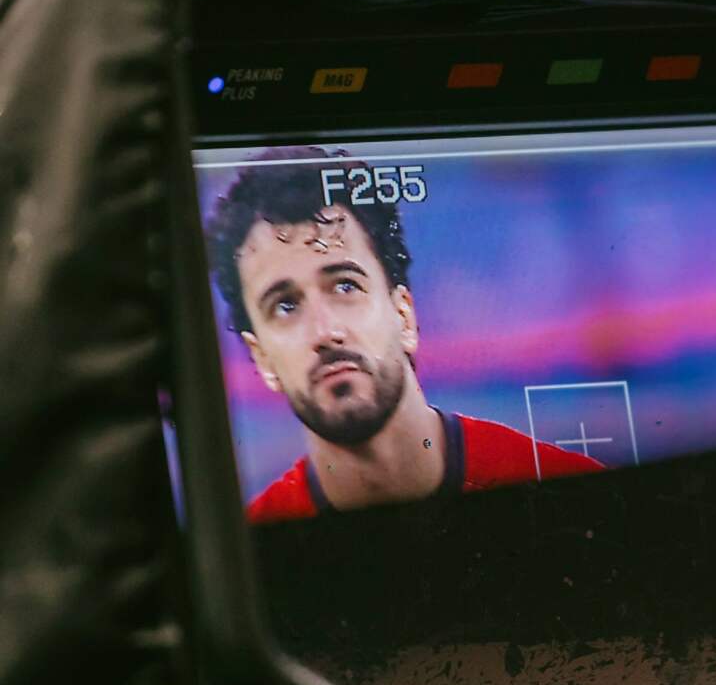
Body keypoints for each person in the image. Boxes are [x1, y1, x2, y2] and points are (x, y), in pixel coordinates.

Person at [206, 153, 604, 523]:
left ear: (404, 316)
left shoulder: (573, 497)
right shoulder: (248, 549)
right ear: (262, 359)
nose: (325, 332)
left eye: (345, 286)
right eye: (286, 306)